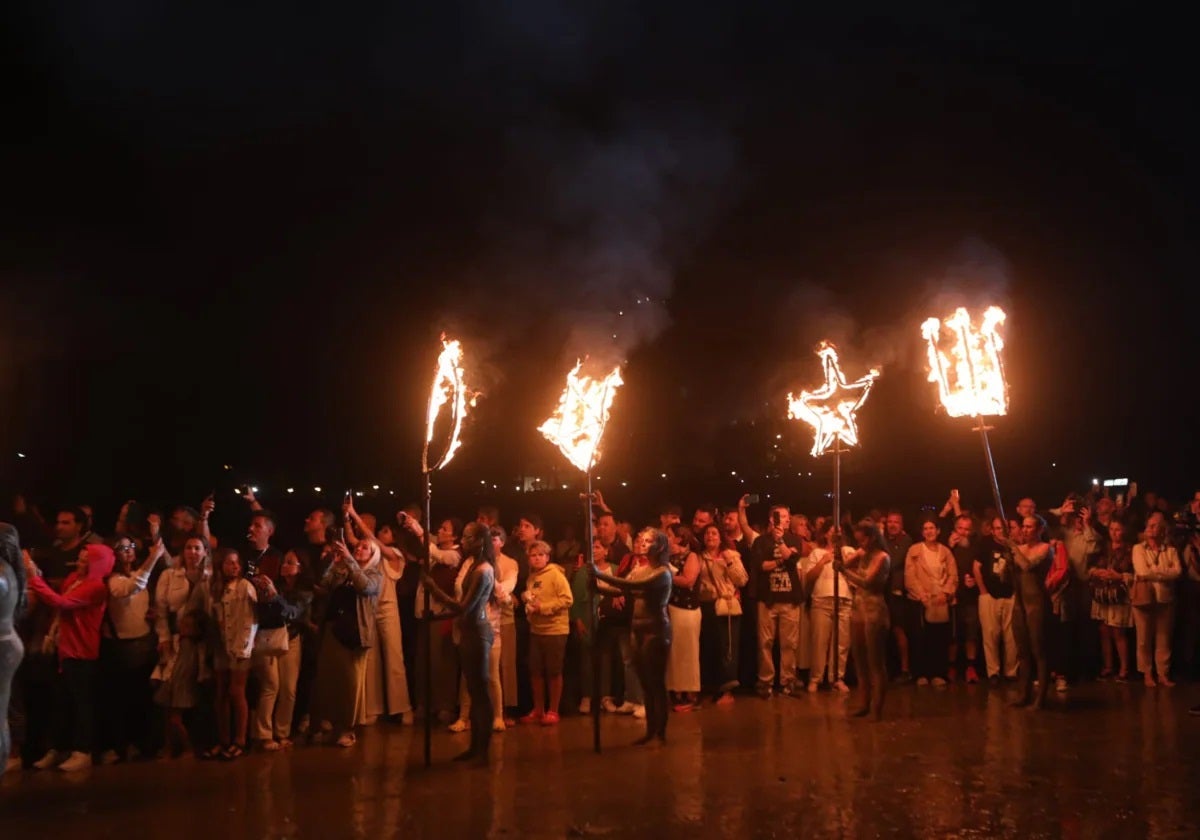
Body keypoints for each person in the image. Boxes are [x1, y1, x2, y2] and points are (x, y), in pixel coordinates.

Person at [25, 542, 116, 771]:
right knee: (62, 702)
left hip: (82, 651)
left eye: (87, 560)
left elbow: (62, 602)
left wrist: (34, 579)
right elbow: (60, 608)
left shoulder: (95, 587)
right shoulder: (74, 578)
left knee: (81, 704)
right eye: (81, 558)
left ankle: (82, 751)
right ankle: (59, 748)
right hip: (65, 648)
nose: (80, 562)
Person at [420, 522, 497, 763]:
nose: (463, 541)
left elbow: (464, 607)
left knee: (481, 693)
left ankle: (482, 751)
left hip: (477, 633)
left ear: (479, 541)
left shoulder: (484, 570)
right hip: (468, 631)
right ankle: (476, 748)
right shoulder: (473, 565)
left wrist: (434, 590)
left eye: (468, 537)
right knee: (474, 691)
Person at [590, 528, 673, 746]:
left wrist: (600, 575)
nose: (643, 544)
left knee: (656, 682)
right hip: (636, 628)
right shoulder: (640, 569)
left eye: (649, 541)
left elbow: (633, 586)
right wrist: (597, 586)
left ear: (660, 546)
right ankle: (651, 730)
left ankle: (660, 730)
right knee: (645, 681)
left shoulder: (662, 572)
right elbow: (622, 591)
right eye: (642, 540)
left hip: (655, 630)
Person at [99, 525, 166, 764]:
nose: (128, 551)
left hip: (145, 644)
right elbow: (129, 588)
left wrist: (152, 613)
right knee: (122, 701)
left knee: (144, 700)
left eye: (130, 546)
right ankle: (120, 747)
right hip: (123, 649)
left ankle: (144, 745)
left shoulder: (138, 574)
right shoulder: (112, 580)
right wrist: (152, 558)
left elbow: (139, 592)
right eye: (121, 548)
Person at [311, 538, 382, 747]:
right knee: (330, 678)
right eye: (356, 546)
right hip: (334, 630)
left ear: (373, 554)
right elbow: (323, 586)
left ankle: (348, 728)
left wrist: (350, 561)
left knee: (350, 684)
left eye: (364, 548)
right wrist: (335, 562)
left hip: (355, 634)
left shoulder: (374, 573)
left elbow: (365, 588)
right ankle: (330, 723)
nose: (358, 549)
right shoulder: (343, 571)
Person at [198, 548, 258, 760]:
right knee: (221, 692)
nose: (234, 567)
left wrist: (244, 645)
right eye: (229, 563)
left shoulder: (245, 587)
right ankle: (223, 739)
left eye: (236, 562)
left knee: (236, 691)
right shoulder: (216, 589)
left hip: (240, 645)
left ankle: (240, 740)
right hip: (222, 645)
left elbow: (252, 619)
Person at [833, 521, 890, 720]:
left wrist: (844, 571)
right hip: (858, 608)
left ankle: (877, 708)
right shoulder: (861, 552)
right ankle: (864, 703)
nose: (861, 544)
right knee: (860, 661)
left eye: (863, 539)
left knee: (875, 661)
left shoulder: (882, 558)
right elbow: (843, 562)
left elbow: (867, 581)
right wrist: (838, 546)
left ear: (873, 537)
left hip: (874, 609)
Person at [520, 540, 573, 725]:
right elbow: (533, 599)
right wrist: (527, 602)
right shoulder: (531, 577)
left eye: (540, 555)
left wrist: (543, 607)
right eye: (533, 555)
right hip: (536, 629)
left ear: (547, 557)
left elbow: (567, 599)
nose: (536, 558)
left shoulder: (556, 575)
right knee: (535, 671)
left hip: (555, 629)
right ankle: (538, 709)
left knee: (553, 671)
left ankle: (553, 710)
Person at [696, 523, 747, 705]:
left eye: (714, 533)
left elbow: (741, 580)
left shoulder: (731, 555)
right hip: (706, 605)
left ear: (720, 537)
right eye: (707, 533)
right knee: (710, 647)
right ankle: (713, 687)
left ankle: (727, 690)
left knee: (728, 647)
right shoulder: (699, 558)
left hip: (726, 606)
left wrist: (730, 562)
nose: (710, 536)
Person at [904, 518, 957, 687]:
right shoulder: (914, 550)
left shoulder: (946, 552)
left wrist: (946, 593)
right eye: (925, 528)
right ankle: (920, 673)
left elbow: (953, 575)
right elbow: (910, 576)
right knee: (920, 638)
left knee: (939, 639)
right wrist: (921, 595)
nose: (929, 531)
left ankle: (938, 673)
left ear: (938, 530)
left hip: (940, 600)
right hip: (921, 600)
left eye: (932, 528)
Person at [1131, 512, 1181, 687]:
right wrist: (1163, 572)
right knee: (1144, 638)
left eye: (1154, 525)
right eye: (1149, 525)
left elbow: (1177, 572)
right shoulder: (1138, 549)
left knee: (1163, 638)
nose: (1150, 529)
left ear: (1162, 530)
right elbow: (1142, 571)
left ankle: (1163, 674)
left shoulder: (1171, 550)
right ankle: (1147, 673)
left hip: (1165, 600)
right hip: (1144, 601)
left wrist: (1154, 571)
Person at [1009, 515, 1051, 709]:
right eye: (1023, 526)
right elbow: (1004, 575)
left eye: (1029, 527)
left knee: (1039, 650)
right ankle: (1023, 693)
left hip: (1036, 604)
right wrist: (1008, 557)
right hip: (1019, 604)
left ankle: (1040, 697)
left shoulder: (1045, 548)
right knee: (1022, 651)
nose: (1024, 530)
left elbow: (1027, 565)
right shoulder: (1019, 549)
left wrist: (1013, 549)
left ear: (1039, 529)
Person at [665, 524, 702, 712]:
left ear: (680, 538)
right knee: (675, 654)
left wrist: (667, 576)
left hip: (687, 611)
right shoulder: (670, 558)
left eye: (670, 535)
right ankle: (676, 690)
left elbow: (688, 581)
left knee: (687, 653)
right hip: (671, 609)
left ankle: (691, 692)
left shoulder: (692, 556)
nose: (667, 538)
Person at [1, 524, 27, 777]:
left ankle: (12, 754)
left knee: (4, 710)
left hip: (3, 648)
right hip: (7, 645)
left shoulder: (2, 573)